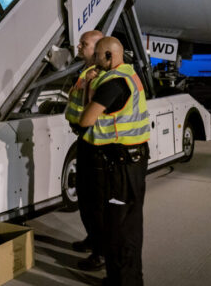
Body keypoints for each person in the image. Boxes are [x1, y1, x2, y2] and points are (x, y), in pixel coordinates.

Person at [79, 37, 150, 286]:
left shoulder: (112, 84)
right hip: (130, 162)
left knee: (121, 229)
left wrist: (89, 91)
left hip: (123, 167)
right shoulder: (129, 74)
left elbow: (86, 120)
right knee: (123, 225)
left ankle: (125, 282)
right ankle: (121, 278)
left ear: (110, 56)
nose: (95, 60)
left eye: (98, 55)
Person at [64, 30, 107, 271]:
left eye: (85, 43)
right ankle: (93, 239)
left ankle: (101, 253)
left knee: (96, 201)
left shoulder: (100, 75)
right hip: (84, 140)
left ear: (99, 48)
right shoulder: (86, 71)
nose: (79, 47)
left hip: (96, 144)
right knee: (85, 196)